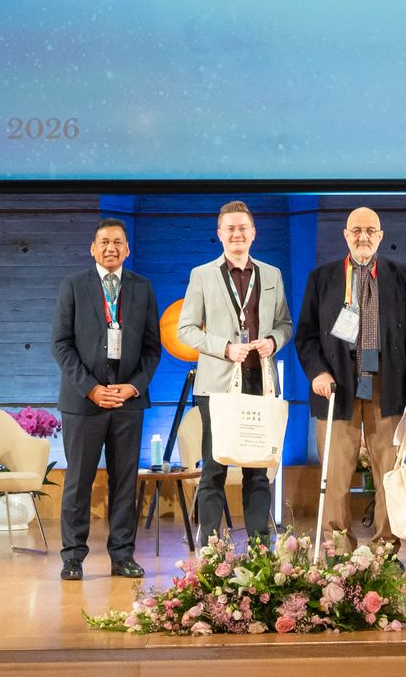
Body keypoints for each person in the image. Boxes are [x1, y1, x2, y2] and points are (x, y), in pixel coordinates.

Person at [297, 206, 406, 554]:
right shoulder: (322, 278)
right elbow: (306, 336)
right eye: (356, 230)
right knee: (336, 474)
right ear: (345, 235)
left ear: (381, 236)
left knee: (389, 472)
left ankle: (385, 548)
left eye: (370, 230)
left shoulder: (401, 277)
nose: (363, 237)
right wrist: (318, 372)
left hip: (388, 385)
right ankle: (338, 550)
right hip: (337, 385)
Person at [178, 200, 293, 547]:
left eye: (243, 228)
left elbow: (285, 324)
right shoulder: (202, 274)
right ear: (219, 234)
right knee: (214, 468)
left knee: (258, 470)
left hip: (260, 383)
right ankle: (212, 551)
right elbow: (186, 330)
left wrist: (273, 341)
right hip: (218, 386)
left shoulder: (271, 274)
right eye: (230, 229)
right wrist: (225, 348)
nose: (237, 234)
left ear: (253, 233)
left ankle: (260, 549)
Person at [51, 217, 161, 580]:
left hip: (128, 401)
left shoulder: (142, 287)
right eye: (104, 242)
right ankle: (72, 557)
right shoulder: (73, 286)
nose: (111, 248)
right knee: (78, 482)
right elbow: (61, 345)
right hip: (84, 402)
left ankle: (122, 556)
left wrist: (133, 387)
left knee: (125, 483)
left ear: (127, 250)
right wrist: (91, 388)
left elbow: (152, 348)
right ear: (93, 249)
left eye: (117, 242)